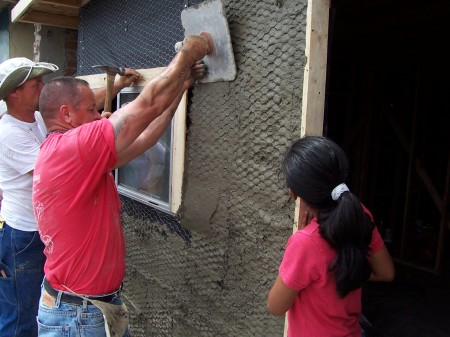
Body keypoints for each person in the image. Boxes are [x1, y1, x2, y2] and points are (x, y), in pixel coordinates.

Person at [32, 33, 212, 337]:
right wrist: (189, 52)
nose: (100, 114)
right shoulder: (69, 149)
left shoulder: (73, 160)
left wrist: (181, 86)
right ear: (66, 115)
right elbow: (147, 103)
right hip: (78, 315)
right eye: (91, 109)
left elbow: (147, 138)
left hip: (91, 309)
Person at [0, 56, 140, 337]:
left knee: (49, 300)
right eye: (33, 82)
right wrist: (97, 134)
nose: (41, 84)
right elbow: (62, 167)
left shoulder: (37, 117)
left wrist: (119, 86)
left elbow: (75, 110)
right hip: (24, 237)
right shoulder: (8, 133)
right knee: (21, 317)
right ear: (13, 92)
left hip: (51, 234)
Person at [267, 136, 395, 337]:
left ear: (293, 193)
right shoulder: (360, 214)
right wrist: (345, 269)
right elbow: (386, 272)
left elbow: (275, 306)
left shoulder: (305, 243)